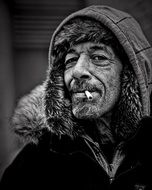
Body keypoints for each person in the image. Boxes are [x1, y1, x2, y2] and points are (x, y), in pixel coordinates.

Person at [0, 5, 152, 190]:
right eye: (70, 60)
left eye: (98, 57)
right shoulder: (36, 160)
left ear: (130, 76)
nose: (77, 71)